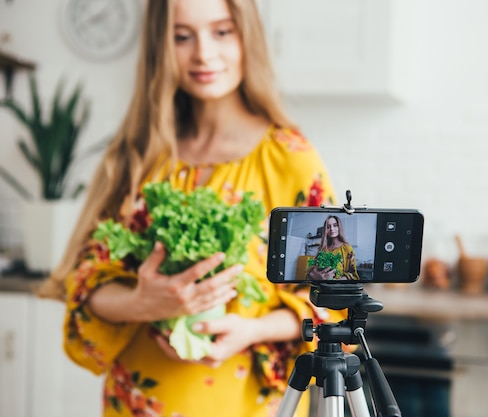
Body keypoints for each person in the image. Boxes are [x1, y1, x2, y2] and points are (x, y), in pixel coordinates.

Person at [36, 1, 345, 416]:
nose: (202, 53)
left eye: (222, 32)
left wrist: (252, 330)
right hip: (138, 400)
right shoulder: (141, 156)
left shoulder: (290, 159)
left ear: (247, 37)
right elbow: (87, 283)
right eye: (182, 36)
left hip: (242, 402)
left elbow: (334, 302)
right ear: (159, 47)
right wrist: (141, 304)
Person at [307, 215, 360, 281]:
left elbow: (353, 275)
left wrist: (335, 281)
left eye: (335, 225)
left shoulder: (347, 249)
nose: (331, 229)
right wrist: (314, 275)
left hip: (338, 288)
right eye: (328, 227)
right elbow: (312, 270)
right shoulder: (323, 248)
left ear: (339, 227)